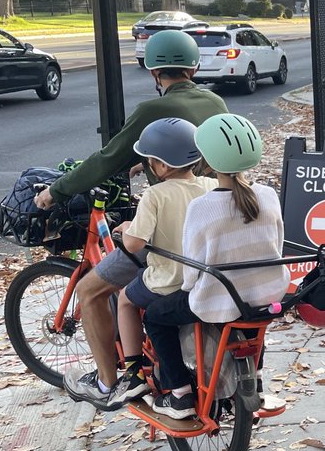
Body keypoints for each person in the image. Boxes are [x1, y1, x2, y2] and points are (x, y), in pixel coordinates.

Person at [35, 30, 225, 403]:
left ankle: (109, 382)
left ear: (155, 74)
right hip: (213, 223)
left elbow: (106, 159)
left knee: (91, 290)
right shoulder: (215, 101)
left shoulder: (154, 111)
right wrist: (147, 162)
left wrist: (54, 191)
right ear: (195, 67)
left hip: (171, 234)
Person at [142, 114, 288, 420]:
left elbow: (192, 272)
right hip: (265, 296)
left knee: (156, 317)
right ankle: (255, 376)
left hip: (217, 300)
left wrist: (184, 291)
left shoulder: (203, 206)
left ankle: (179, 394)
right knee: (252, 327)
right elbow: (277, 245)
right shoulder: (268, 195)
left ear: (207, 160)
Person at [62, 118, 214, 409]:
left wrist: (130, 228)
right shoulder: (209, 185)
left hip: (169, 279)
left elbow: (134, 245)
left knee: (126, 300)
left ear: (162, 166)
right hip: (204, 276)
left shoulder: (156, 194)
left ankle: (131, 373)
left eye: (150, 162)